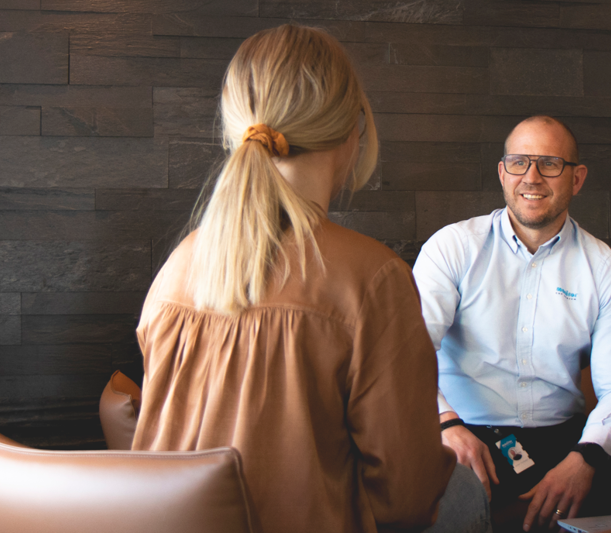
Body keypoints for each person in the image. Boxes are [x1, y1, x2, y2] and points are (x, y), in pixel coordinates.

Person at [131, 25, 489, 533]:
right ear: (352, 132)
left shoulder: (175, 270)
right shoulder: (372, 279)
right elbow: (406, 499)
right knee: (464, 488)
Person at [412, 116, 611, 532]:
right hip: (465, 435)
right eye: (519, 162)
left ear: (577, 179)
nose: (532, 177)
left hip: (564, 440)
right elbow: (408, 354)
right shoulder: (452, 248)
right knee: (442, 491)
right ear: (502, 172)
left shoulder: (605, 269)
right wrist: (445, 426)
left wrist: (586, 458)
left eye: (550, 164)